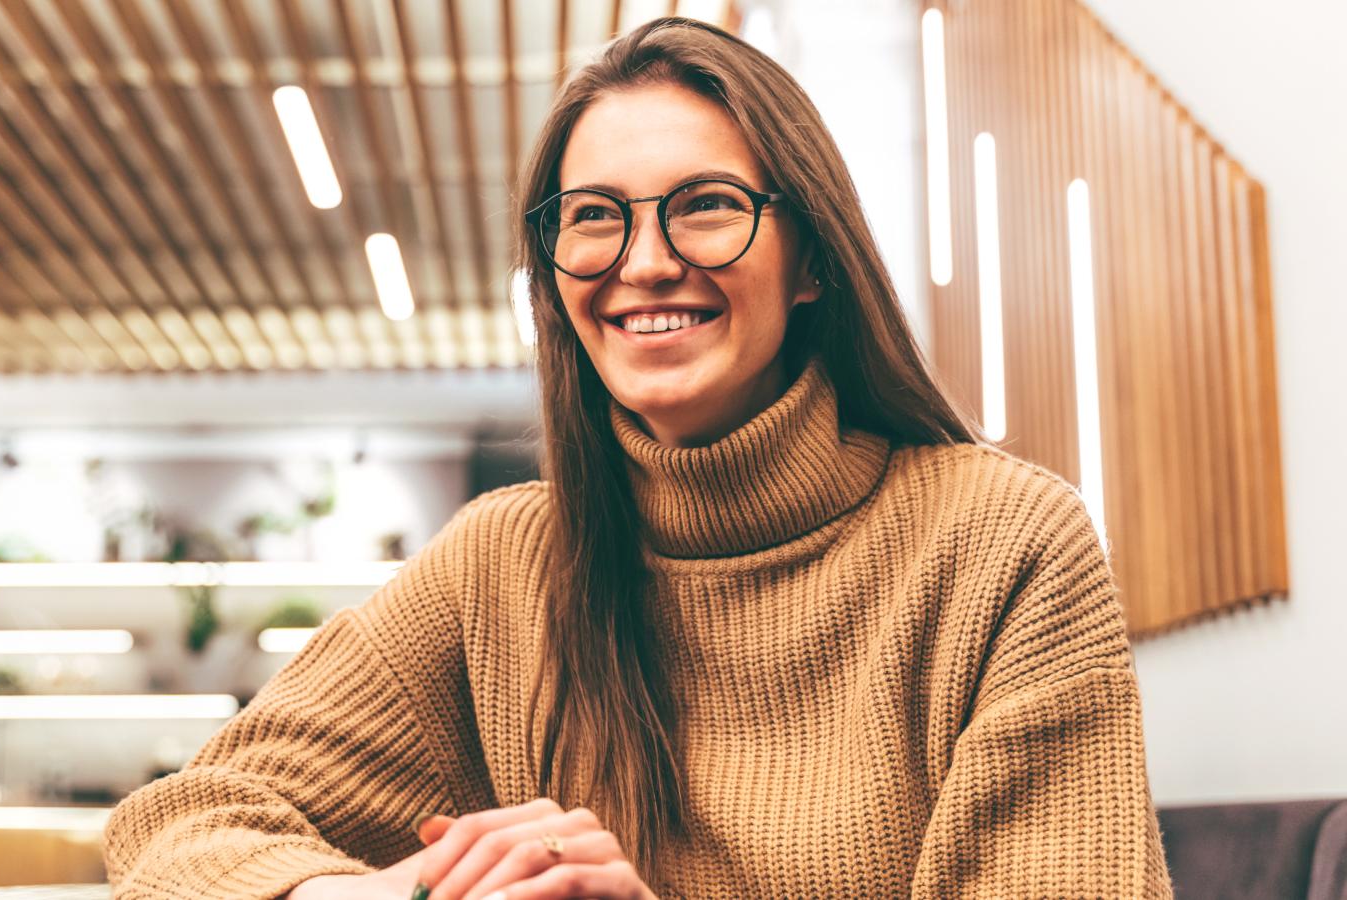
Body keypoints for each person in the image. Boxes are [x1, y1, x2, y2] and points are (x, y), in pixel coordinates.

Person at [104, 17, 1171, 899]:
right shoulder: (499, 564)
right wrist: (383, 893)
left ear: (812, 261)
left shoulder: (1004, 541)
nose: (644, 264)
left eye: (705, 206)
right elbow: (177, 823)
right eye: (594, 219)